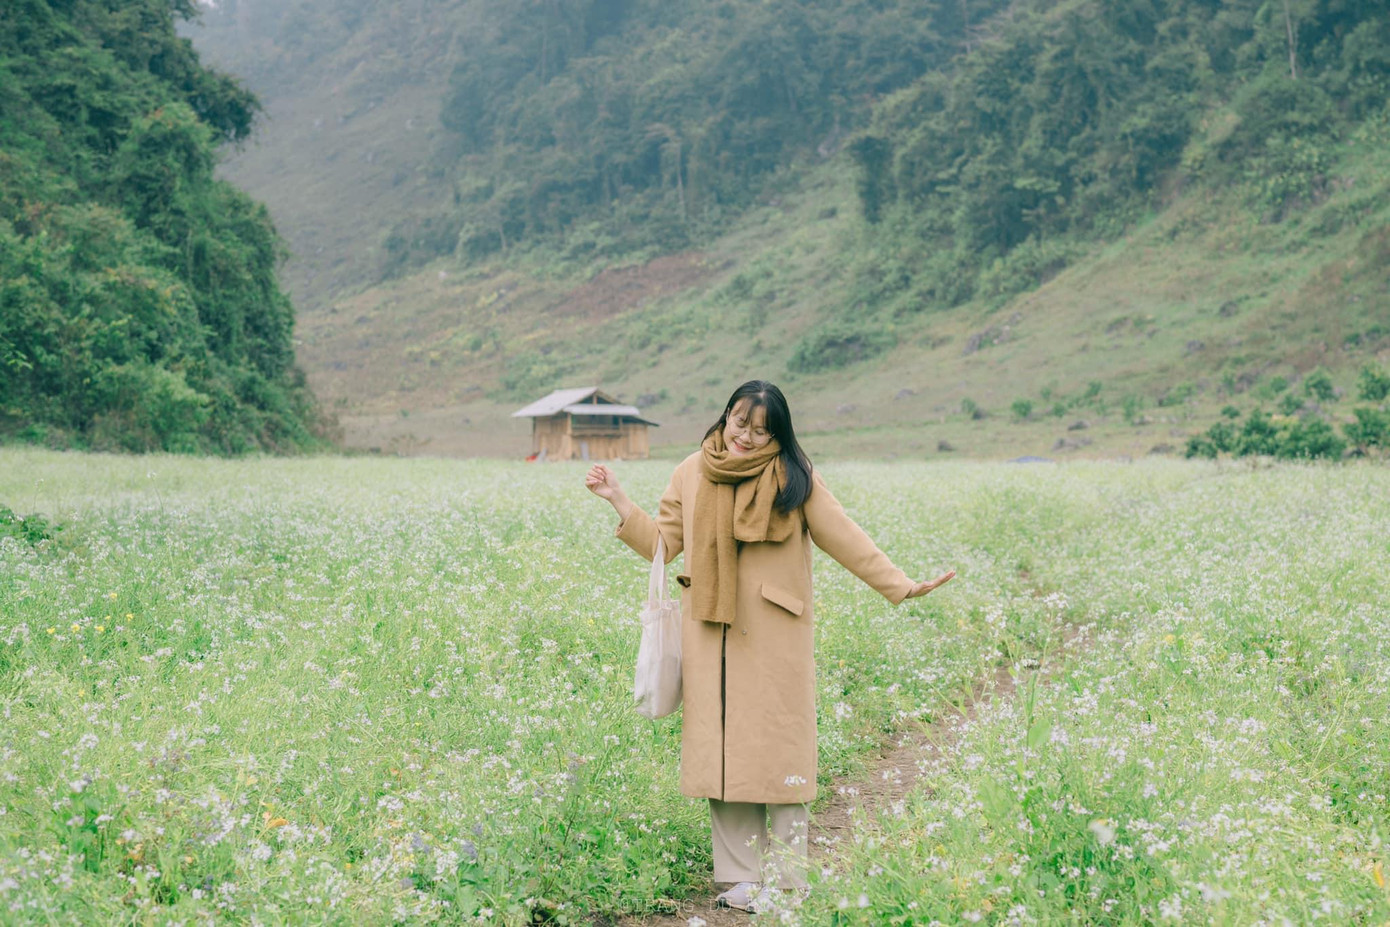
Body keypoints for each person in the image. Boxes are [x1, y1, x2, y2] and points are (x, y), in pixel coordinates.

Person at [585, 380, 954, 913]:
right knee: (724, 752)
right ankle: (740, 877)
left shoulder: (794, 476)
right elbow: (664, 546)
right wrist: (618, 499)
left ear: (777, 434)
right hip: (711, 632)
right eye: (741, 423)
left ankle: (786, 880)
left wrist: (900, 584)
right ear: (726, 418)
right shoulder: (691, 471)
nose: (748, 437)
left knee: (780, 748)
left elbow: (843, 535)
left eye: (763, 430)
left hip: (776, 634)